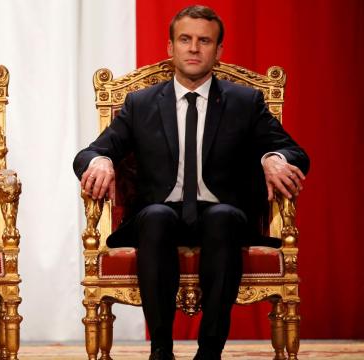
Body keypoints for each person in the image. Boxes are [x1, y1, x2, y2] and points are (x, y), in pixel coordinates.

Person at [73, 5, 309, 360]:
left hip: (224, 220)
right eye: (185, 39)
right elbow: (89, 153)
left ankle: (209, 352)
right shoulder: (141, 103)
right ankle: (161, 350)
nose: (194, 48)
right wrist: (102, 160)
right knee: (156, 217)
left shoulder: (245, 102)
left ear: (218, 51)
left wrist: (273, 158)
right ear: (171, 48)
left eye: (204, 41)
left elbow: (294, 152)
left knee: (222, 216)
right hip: (159, 218)